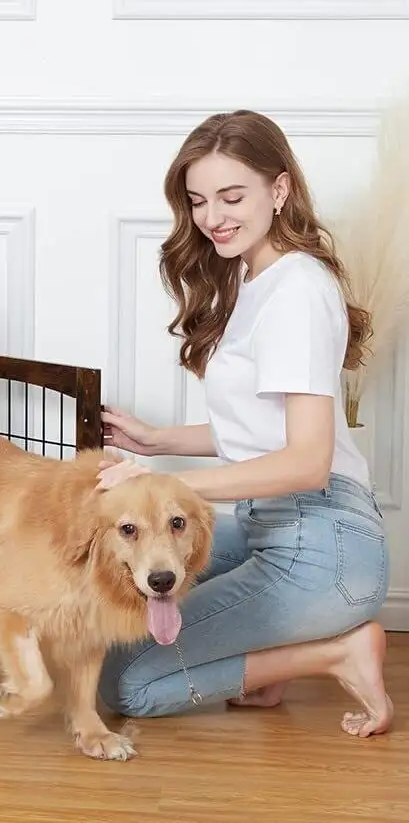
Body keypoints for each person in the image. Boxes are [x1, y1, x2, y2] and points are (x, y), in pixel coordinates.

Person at [95, 109, 393, 738]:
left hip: (322, 546)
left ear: (279, 191)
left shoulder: (295, 291)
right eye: (199, 200)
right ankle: (269, 665)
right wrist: (159, 439)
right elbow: (261, 434)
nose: (213, 216)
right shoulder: (253, 277)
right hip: (273, 526)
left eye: (232, 196)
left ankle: (337, 651)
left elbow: (306, 462)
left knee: (128, 684)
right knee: (116, 620)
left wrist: (166, 486)